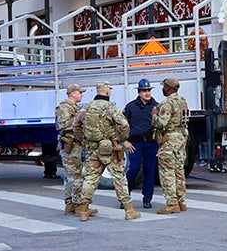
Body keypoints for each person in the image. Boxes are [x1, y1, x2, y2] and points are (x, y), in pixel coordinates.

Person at [75, 81, 141, 221]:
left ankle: (84, 211)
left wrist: (83, 139)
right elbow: (124, 125)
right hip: (111, 149)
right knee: (119, 178)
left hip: (93, 149)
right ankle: (129, 211)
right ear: (106, 91)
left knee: (90, 179)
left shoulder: (86, 107)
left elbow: (76, 126)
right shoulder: (110, 107)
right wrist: (120, 138)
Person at [153, 78, 189, 214]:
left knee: (167, 172)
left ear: (168, 88)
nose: (163, 89)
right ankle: (181, 202)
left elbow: (161, 123)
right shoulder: (182, 101)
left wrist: (154, 116)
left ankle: (172, 203)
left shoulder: (167, 103)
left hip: (169, 141)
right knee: (179, 171)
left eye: (164, 87)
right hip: (181, 139)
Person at [123, 78, 159, 208]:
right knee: (134, 169)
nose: (147, 93)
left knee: (149, 171)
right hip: (135, 144)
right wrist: (125, 141)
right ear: (139, 92)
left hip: (151, 143)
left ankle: (147, 199)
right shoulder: (131, 107)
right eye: (144, 91)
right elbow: (121, 125)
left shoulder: (156, 106)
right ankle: (125, 197)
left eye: (148, 90)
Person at [55, 84, 85, 215]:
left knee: (70, 177)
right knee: (76, 176)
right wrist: (79, 119)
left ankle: (70, 205)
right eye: (80, 92)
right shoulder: (65, 107)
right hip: (71, 146)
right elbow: (63, 125)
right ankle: (79, 206)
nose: (81, 95)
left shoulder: (73, 107)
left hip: (74, 145)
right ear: (73, 93)